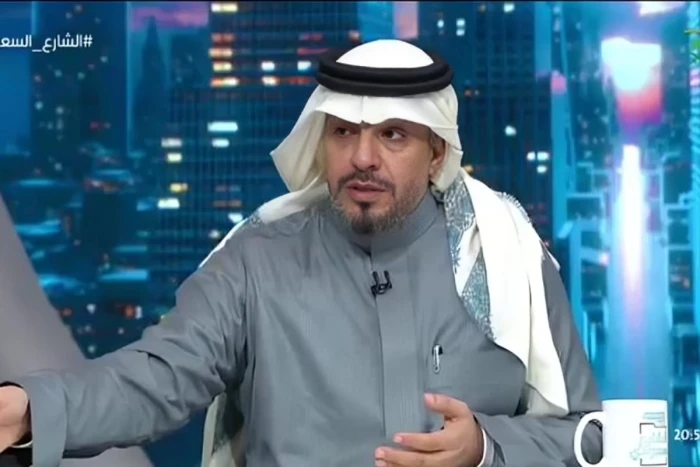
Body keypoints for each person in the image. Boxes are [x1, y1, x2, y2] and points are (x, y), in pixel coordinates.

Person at [0, 39, 602, 467]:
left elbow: (587, 436)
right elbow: (156, 376)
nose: (362, 157)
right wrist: (31, 412)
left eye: (392, 134)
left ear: (436, 154)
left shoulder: (502, 257)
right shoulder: (256, 261)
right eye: (343, 131)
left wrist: (486, 449)